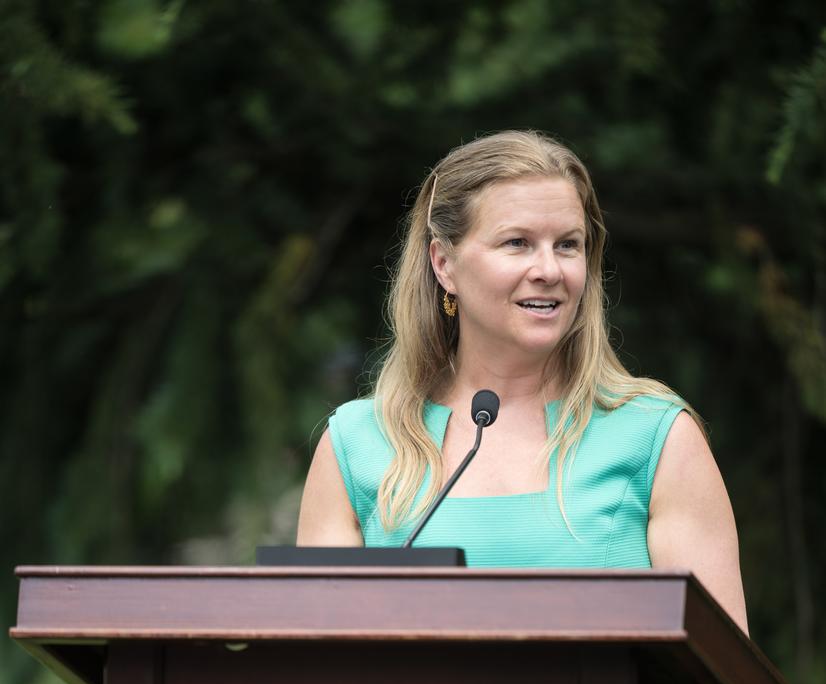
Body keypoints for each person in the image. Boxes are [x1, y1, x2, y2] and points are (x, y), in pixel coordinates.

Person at [297, 130, 748, 633]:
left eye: (569, 245)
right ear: (443, 263)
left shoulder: (655, 438)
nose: (549, 270)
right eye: (518, 243)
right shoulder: (357, 444)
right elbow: (313, 675)